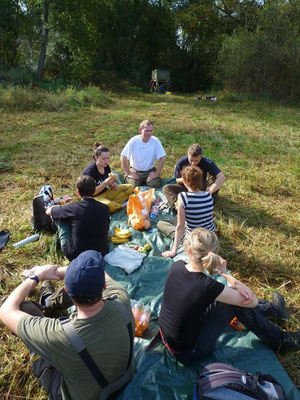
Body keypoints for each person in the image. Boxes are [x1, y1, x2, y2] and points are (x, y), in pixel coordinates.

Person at [0, 250, 135, 400]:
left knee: (24, 308)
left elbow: (6, 311)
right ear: (103, 286)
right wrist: (58, 271)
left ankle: (47, 299)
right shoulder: (121, 298)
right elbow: (102, 275)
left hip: (82, 395)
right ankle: (47, 299)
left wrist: (36, 276)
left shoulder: (58, 334)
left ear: (66, 291)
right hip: (124, 376)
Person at [159, 228, 300, 363]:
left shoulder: (177, 265)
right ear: (214, 256)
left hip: (167, 337)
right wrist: (224, 272)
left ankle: (273, 309)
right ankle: (281, 341)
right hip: (189, 352)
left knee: (230, 294)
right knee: (235, 303)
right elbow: (252, 301)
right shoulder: (206, 286)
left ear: (189, 250)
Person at [46, 175, 110, 261]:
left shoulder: (73, 208)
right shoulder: (105, 208)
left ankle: (56, 238)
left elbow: (48, 212)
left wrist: (55, 206)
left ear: (78, 192)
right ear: (94, 190)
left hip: (75, 255)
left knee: (60, 217)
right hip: (101, 253)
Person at [158, 166, 215, 258]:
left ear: (184, 181)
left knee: (161, 223)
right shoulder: (208, 195)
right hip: (210, 239)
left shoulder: (183, 197)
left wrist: (173, 251)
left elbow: (180, 227)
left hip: (195, 241)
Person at [163, 144, 226, 211]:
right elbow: (176, 180)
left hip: (201, 188)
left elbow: (221, 177)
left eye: (196, 161)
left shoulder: (206, 162)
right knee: (166, 188)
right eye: (191, 160)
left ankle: (207, 202)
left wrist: (210, 191)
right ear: (188, 155)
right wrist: (187, 179)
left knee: (216, 180)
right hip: (186, 187)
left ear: (201, 157)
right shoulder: (181, 162)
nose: (193, 163)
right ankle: (178, 208)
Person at [83, 142, 133, 213]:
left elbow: (108, 183)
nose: (106, 161)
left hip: (106, 192)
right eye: (103, 158)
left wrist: (112, 184)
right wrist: (104, 184)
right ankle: (122, 206)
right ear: (96, 158)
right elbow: (90, 193)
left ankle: (113, 206)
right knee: (108, 205)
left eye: (108, 158)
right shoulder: (90, 172)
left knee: (129, 187)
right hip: (94, 198)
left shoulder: (106, 167)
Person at [120, 120, 166, 188]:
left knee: (154, 184)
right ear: (140, 130)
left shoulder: (155, 141)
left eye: (151, 131)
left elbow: (163, 157)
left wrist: (156, 173)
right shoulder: (134, 141)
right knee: (132, 186)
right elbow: (123, 156)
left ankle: (145, 181)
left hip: (149, 170)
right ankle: (126, 176)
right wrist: (129, 173)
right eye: (146, 131)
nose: (149, 133)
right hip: (136, 170)